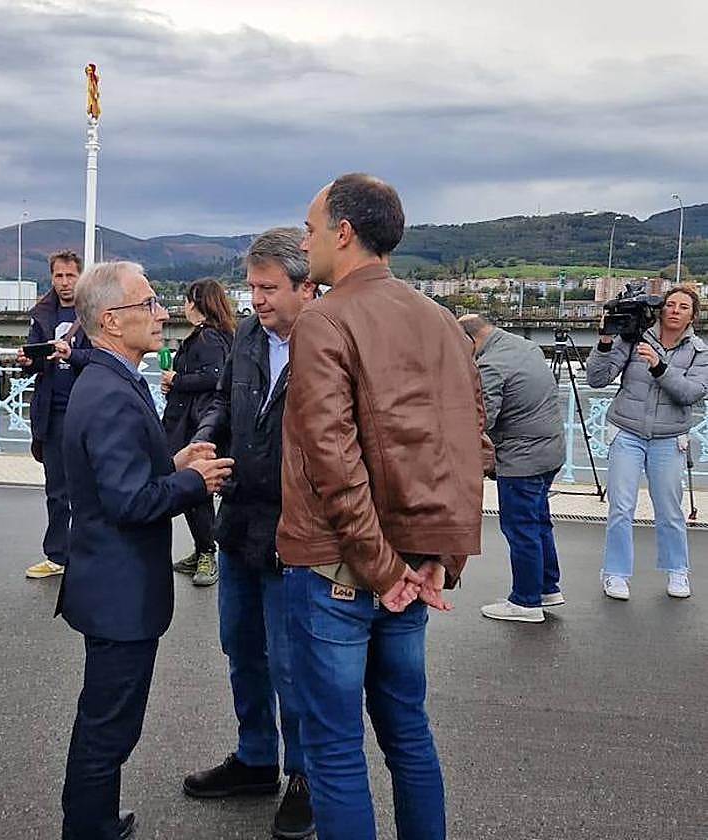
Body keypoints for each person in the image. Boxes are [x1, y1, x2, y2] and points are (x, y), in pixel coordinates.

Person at [279, 174, 491, 840]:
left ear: (343, 233)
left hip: (343, 573)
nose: (305, 241)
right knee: (408, 736)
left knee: (336, 748)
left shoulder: (324, 318)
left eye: (311, 229)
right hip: (412, 565)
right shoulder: (439, 320)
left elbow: (331, 460)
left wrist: (379, 566)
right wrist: (436, 558)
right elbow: (469, 443)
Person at [59, 260, 233, 840]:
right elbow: (130, 501)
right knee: (107, 727)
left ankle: (97, 820)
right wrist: (193, 484)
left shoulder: (112, 377)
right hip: (118, 591)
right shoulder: (111, 391)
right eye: (149, 303)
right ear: (112, 320)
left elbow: (128, 474)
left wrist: (174, 463)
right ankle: (89, 829)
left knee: (108, 720)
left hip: (109, 585)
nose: (162, 314)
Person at [182, 229, 316, 839]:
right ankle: (256, 758)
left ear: (304, 286)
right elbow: (220, 400)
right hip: (237, 518)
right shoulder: (247, 340)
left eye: (267, 288)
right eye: (251, 287)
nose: (255, 299)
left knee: (294, 665)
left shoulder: (330, 344)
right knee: (241, 649)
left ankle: (305, 777)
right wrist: (208, 433)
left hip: (296, 527)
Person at [586, 285, 708, 600]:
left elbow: (691, 393)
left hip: (669, 438)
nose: (675, 310)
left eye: (683, 306)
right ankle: (615, 573)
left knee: (669, 510)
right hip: (627, 431)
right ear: (660, 309)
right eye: (670, 304)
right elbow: (597, 379)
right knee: (621, 507)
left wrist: (659, 366)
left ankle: (677, 570)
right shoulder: (635, 339)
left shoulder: (698, 351)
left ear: (693, 315)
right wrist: (604, 342)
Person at [459, 314, 566, 622]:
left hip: (522, 458)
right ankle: (547, 587)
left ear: (471, 340)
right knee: (539, 522)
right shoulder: (526, 347)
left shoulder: (490, 365)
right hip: (551, 452)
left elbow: (483, 420)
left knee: (521, 529)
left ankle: (525, 602)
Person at [18, 250, 92, 579]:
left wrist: (72, 354)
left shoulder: (95, 311)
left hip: (87, 409)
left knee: (91, 488)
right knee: (56, 490)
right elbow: (34, 357)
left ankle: (93, 552)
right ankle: (57, 554)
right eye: (58, 276)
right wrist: (27, 361)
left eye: (70, 276)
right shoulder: (43, 313)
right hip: (52, 410)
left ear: (80, 276)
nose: (64, 282)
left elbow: (105, 356)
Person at [161, 278, 235, 586]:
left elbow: (213, 377)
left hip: (193, 425)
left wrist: (177, 380)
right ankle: (202, 547)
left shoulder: (207, 339)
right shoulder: (220, 336)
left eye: (189, 301)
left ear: (199, 303)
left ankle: (207, 550)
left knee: (197, 491)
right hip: (196, 421)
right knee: (195, 489)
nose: (185, 307)